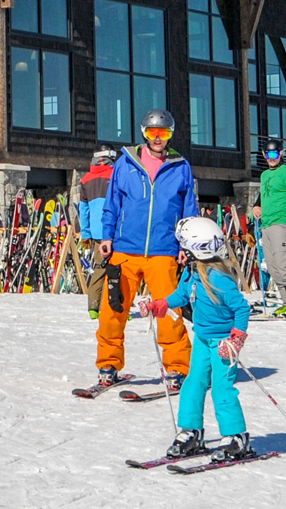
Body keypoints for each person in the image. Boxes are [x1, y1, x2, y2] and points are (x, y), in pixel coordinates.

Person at [96, 108, 199, 391]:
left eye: (163, 133)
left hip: (164, 251)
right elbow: (112, 202)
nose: (158, 138)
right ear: (144, 133)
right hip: (125, 249)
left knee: (169, 312)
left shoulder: (180, 166)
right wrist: (107, 235)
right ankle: (108, 364)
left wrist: (186, 245)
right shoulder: (125, 163)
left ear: (170, 136)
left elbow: (189, 209)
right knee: (113, 310)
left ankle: (178, 368)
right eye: (153, 133)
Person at [146, 216, 255, 465]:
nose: (180, 253)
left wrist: (236, 338)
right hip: (203, 340)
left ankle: (236, 437)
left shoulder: (218, 279)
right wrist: (161, 304)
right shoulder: (192, 272)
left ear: (195, 250)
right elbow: (181, 295)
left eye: (183, 248)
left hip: (223, 344)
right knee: (193, 383)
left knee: (221, 388)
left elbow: (242, 309)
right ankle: (191, 431)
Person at [250, 139, 286, 316]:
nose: (271, 158)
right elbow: (263, 194)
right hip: (266, 225)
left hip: (282, 224)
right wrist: (256, 205)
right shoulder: (265, 175)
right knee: (273, 268)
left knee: (283, 265)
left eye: (275, 154)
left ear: (281, 154)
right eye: (268, 155)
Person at [76, 148, 115, 319]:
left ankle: (93, 305)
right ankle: (118, 305)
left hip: (97, 231)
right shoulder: (116, 175)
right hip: (115, 229)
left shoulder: (86, 179)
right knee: (119, 268)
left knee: (100, 267)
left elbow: (83, 210)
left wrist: (86, 234)